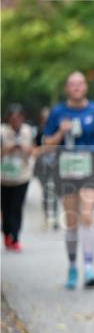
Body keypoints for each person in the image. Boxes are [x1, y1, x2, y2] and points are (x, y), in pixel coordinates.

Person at [44, 72, 94, 289]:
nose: (76, 87)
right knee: (72, 220)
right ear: (67, 89)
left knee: (87, 216)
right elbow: (48, 142)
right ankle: (73, 266)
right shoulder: (58, 112)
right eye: (72, 84)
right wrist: (60, 132)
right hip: (66, 169)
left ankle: (90, 268)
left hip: (90, 167)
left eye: (80, 84)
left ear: (85, 87)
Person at [1, 104, 35, 251]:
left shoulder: (27, 131)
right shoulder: (2, 131)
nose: (15, 120)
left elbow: (34, 150)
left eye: (18, 117)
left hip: (22, 176)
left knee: (17, 207)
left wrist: (23, 148)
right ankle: (7, 233)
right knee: (5, 208)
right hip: (4, 177)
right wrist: (8, 149)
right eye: (12, 117)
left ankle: (15, 237)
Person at [33, 106, 59, 229]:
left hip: (55, 164)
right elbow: (35, 148)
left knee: (54, 191)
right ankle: (46, 217)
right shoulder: (40, 131)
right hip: (42, 165)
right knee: (45, 192)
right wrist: (43, 149)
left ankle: (55, 218)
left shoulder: (57, 130)